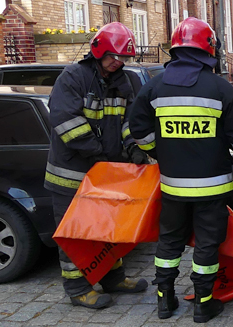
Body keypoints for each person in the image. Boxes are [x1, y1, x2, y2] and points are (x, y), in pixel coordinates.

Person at [128, 17, 233, 323]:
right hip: (212, 189)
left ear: (176, 49)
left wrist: (158, 152)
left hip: (172, 187)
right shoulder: (220, 88)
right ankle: (203, 304)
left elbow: (138, 128)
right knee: (207, 244)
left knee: (169, 242)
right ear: (209, 48)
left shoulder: (155, 86)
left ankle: (165, 301)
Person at [45, 22, 149, 309]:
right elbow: (67, 123)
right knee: (74, 234)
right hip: (72, 175)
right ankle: (78, 288)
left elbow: (129, 121)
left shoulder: (124, 81)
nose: (119, 62)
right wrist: (98, 156)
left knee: (106, 230)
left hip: (105, 173)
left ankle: (113, 277)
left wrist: (134, 149)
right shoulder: (73, 78)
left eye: (124, 58)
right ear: (98, 50)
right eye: (114, 56)